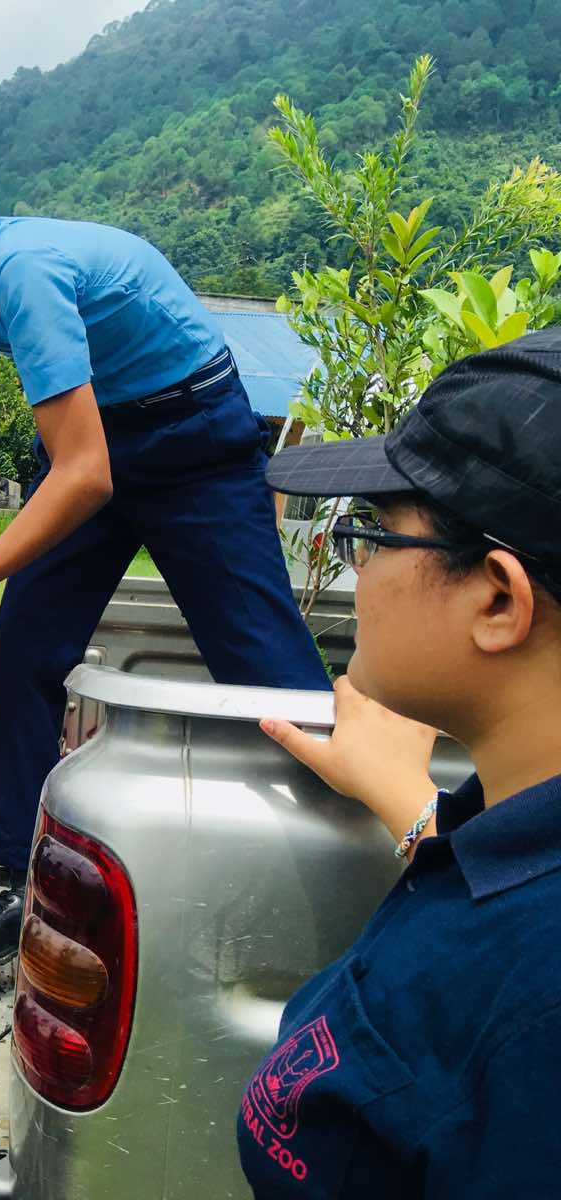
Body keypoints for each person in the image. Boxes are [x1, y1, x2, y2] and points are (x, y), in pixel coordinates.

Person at [0, 121, 330, 972]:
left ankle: (339, 869)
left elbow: (85, 478)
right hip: (92, 433)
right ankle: (21, 880)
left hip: (187, 432)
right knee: (31, 647)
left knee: (264, 664)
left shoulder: (21, 274)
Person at [234, 329, 561, 1196]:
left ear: (497, 599)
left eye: (380, 531)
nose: (362, 567)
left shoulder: (539, 1013)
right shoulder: (505, 827)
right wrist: (412, 805)